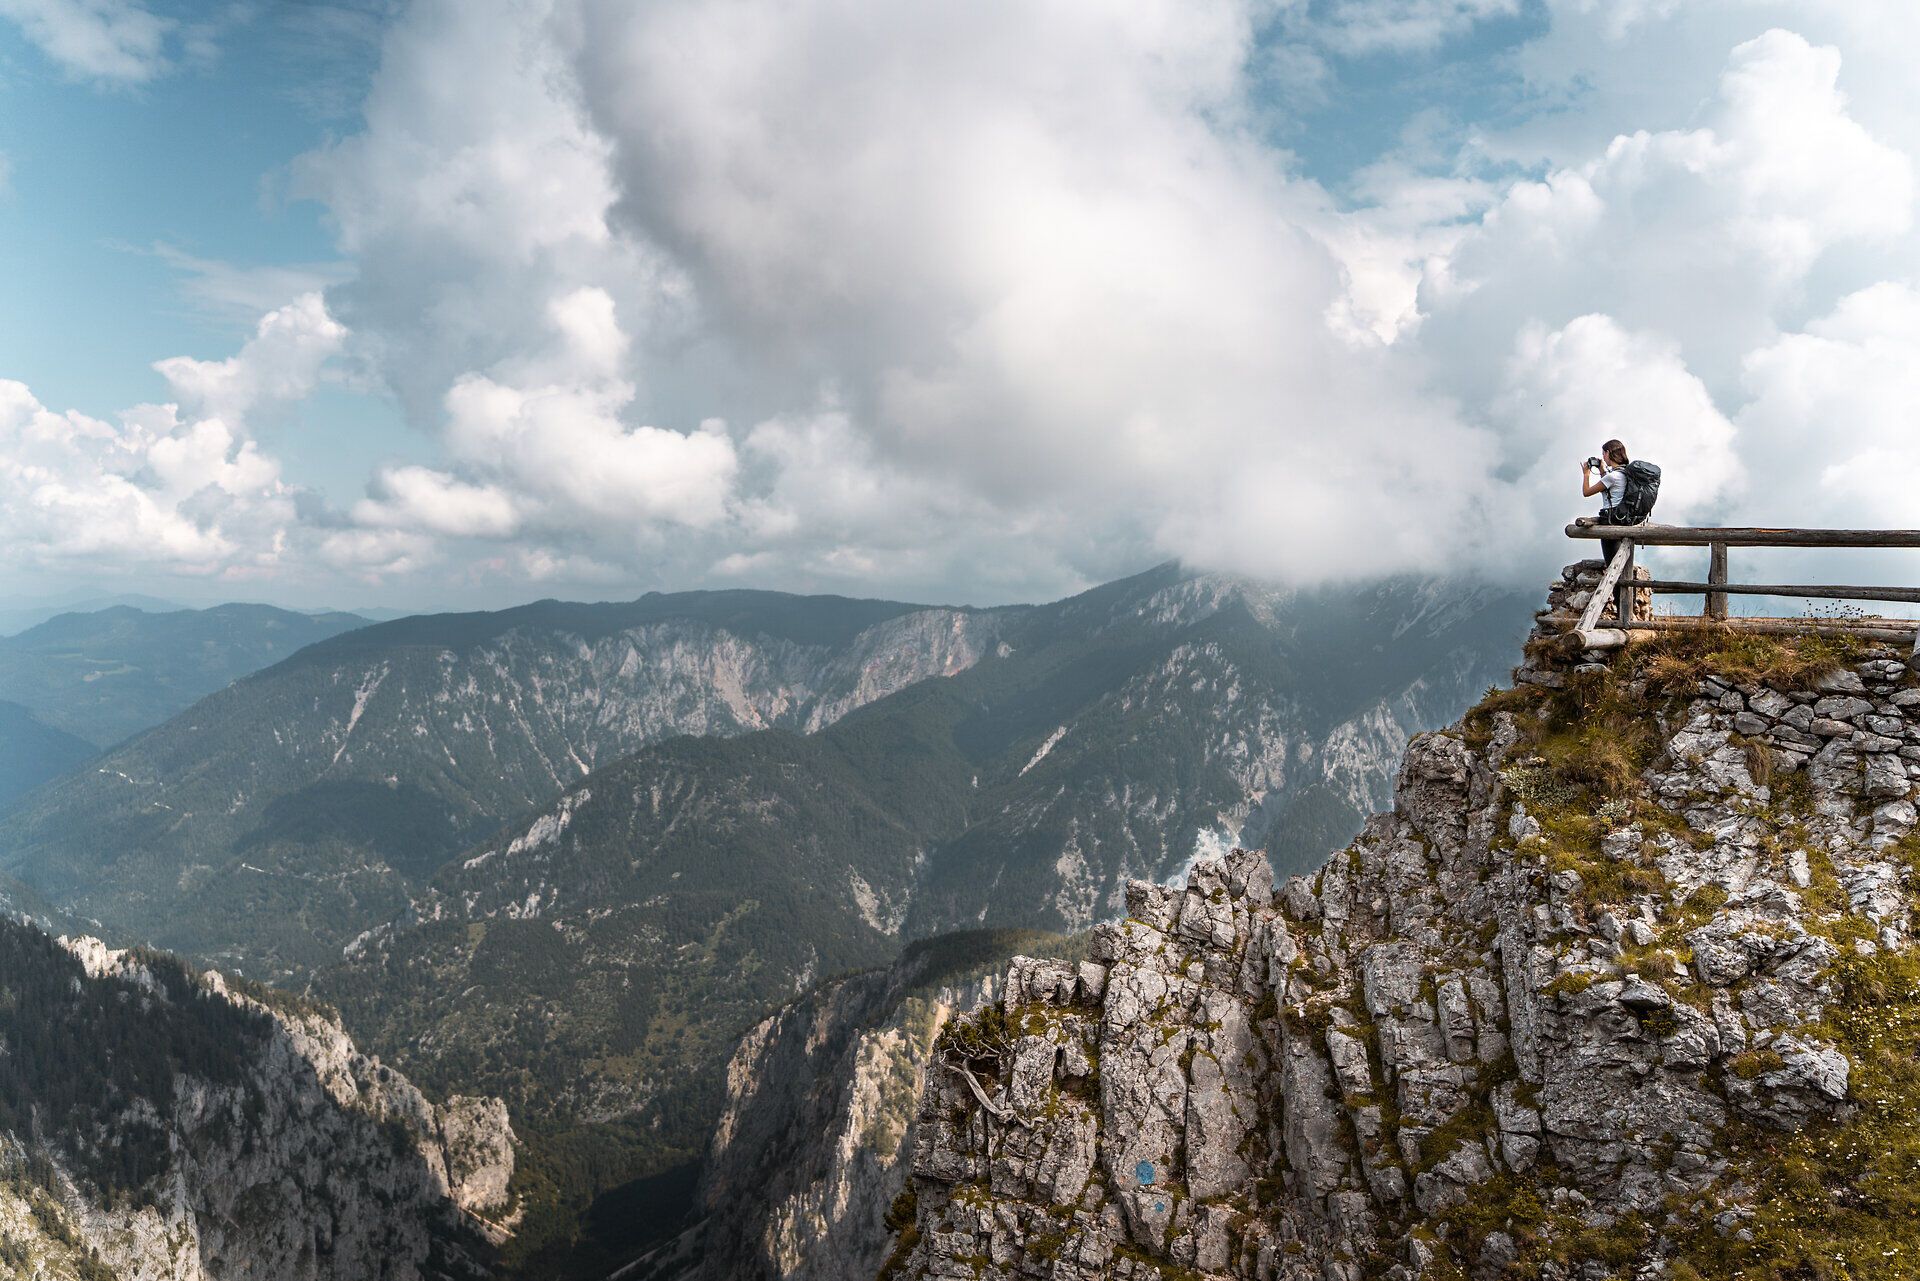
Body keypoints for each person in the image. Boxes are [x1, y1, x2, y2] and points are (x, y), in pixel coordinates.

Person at [1576, 439, 1633, 566]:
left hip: (1610, 520)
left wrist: (1586, 474)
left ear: (1608, 453)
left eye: (1603, 454)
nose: (1603, 457)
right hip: (1624, 519)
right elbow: (1610, 489)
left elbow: (1586, 492)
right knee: (1622, 562)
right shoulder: (1625, 473)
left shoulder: (1612, 476)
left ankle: (1615, 586)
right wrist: (1602, 470)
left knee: (1612, 563)